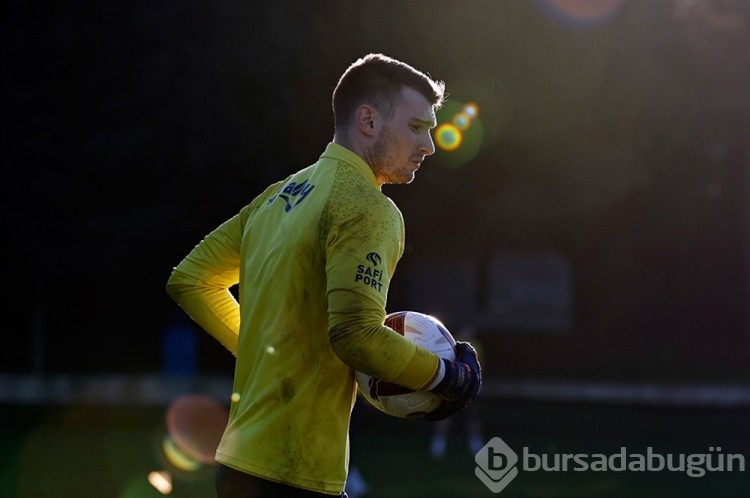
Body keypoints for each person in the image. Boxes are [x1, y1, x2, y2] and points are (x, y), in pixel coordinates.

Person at [166, 53, 482, 498]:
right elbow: (355, 335)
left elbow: (191, 279)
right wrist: (447, 378)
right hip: (295, 472)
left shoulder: (277, 197)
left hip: (238, 465)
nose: (429, 145)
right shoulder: (368, 207)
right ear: (368, 120)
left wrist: (270, 354)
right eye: (416, 127)